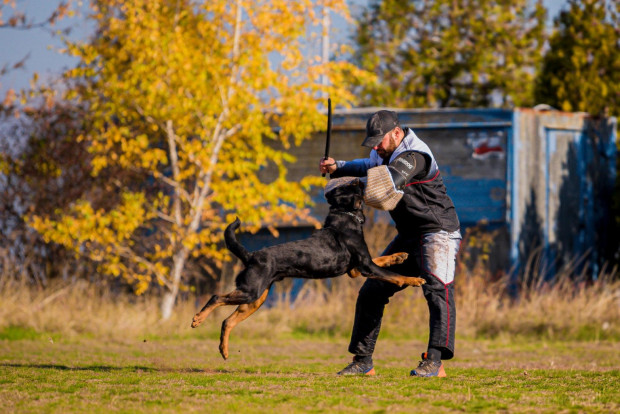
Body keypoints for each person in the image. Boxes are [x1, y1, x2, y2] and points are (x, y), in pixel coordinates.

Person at [319, 110, 461, 377]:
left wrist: (347, 185)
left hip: (437, 232)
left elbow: (388, 181)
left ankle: (434, 362)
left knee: (437, 291)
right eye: (372, 141)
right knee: (372, 290)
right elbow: (368, 164)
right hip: (409, 234)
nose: (375, 146)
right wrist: (339, 166)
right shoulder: (383, 151)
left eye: (379, 140)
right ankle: (363, 362)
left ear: (396, 133)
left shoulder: (415, 155)